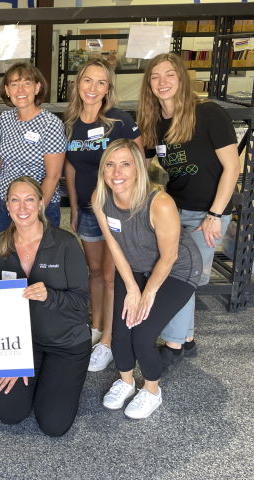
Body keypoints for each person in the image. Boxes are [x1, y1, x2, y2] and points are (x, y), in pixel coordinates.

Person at [137, 53, 239, 370]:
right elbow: (140, 159)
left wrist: (214, 214)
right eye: (155, 76)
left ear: (182, 79)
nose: (163, 82)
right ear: (149, 84)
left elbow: (232, 167)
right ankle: (187, 339)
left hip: (207, 213)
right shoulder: (155, 122)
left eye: (170, 74)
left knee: (181, 277)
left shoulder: (208, 113)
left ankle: (173, 345)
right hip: (174, 211)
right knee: (183, 275)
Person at [92, 139, 202, 419]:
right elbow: (114, 245)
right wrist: (131, 288)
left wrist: (148, 292)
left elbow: (169, 256)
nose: (117, 172)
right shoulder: (100, 199)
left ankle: (152, 390)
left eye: (125, 164)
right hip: (134, 266)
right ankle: (126, 382)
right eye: (110, 165)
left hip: (177, 269)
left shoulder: (160, 203)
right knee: (120, 330)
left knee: (141, 334)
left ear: (139, 168)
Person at [0, 176, 90, 436]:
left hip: (66, 343)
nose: (23, 208)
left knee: (53, 426)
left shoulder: (66, 243)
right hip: (25, 343)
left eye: (29, 200)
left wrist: (50, 296)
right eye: (15, 200)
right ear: (7, 207)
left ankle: (53, 374)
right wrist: (12, 356)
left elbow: (81, 305)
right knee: (10, 414)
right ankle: (39, 371)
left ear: (41, 204)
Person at [63, 58, 143, 373]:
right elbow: (69, 167)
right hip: (84, 209)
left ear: (108, 88)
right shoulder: (70, 123)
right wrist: (71, 206)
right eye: (87, 81)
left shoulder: (120, 121)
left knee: (111, 277)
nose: (93, 88)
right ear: (78, 85)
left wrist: (127, 204)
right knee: (94, 272)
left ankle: (109, 340)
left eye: (101, 82)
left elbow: (138, 163)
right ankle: (95, 326)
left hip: (115, 213)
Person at [0, 62, 66, 231]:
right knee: (3, 253)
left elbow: (53, 176)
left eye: (27, 84)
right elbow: (2, 157)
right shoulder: (5, 118)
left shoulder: (51, 124)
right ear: (7, 90)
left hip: (34, 206)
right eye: (14, 85)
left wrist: (35, 212)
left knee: (37, 256)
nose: (20, 90)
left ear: (37, 88)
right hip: (1, 201)